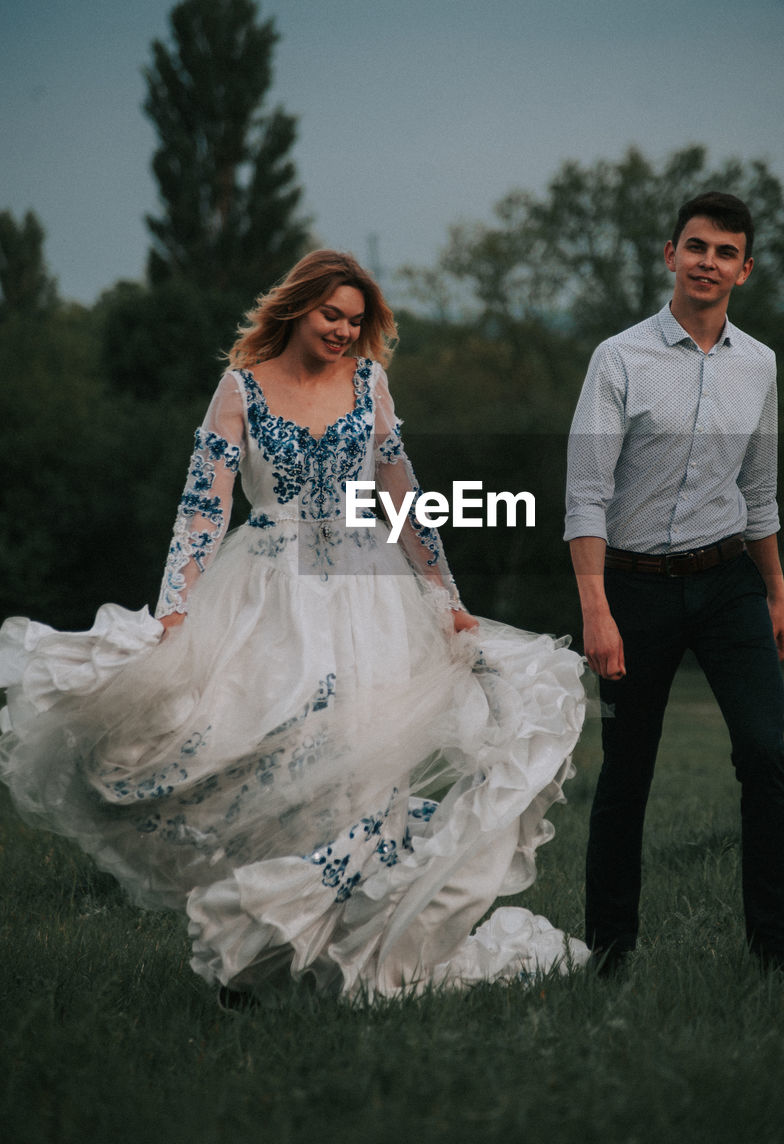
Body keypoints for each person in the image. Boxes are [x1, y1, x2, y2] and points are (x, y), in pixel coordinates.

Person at [0, 249, 588, 1004]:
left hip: (366, 592)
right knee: (276, 744)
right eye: (331, 315)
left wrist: (446, 596)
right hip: (270, 590)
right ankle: (261, 938)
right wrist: (175, 608)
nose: (344, 331)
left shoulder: (370, 384)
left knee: (360, 760)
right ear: (297, 309)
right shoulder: (240, 388)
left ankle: (324, 942)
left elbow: (404, 498)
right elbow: (203, 508)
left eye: (355, 320)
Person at [564, 192, 784, 975]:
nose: (708, 262)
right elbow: (586, 497)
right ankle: (610, 957)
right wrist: (597, 613)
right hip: (634, 589)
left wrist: (774, 591)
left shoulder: (760, 365)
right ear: (670, 255)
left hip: (728, 578)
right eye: (695, 247)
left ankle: (780, 958)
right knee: (626, 772)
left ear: (746, 267)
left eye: (724, 251)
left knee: (766, 756)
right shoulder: (620, 359)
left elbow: (761, 492)